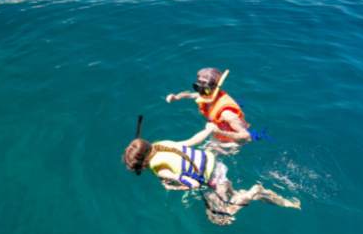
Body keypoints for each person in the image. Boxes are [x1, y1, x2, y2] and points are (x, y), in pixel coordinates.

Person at [122, 123, 300, 226]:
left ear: (142, 163)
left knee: (220, 218)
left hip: (212, 178)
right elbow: (194, 140)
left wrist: (173, 187)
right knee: (233, 196)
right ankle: (273, 199)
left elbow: (194, 184)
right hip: (215, 164)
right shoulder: (163, 144)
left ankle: (254, 191)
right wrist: (208, 129)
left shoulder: (161, 169)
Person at [166, 68, 252, 144]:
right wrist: (177, 97)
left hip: (234, 140)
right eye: (197, 86)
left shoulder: (226, 113)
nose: (199, 92)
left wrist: (218, 131)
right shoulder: (205, 94)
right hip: (216, 128)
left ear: (215, 88)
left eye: (204, 89)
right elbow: (191, 95)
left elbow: (247, 137)